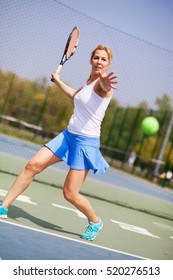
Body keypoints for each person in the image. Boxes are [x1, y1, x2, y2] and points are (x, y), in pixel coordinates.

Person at [0, 45, 118, 241]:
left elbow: (104, 87)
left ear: (108, 64)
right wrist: (58, 82)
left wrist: (105, 81)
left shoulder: (102, 86)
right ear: (91, 60)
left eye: (103, 59)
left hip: (86, 143)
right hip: (68, 136)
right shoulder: (89, 82)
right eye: (96, 58)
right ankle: (4, 207)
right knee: (32, 165)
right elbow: (75, 95)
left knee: (70, 193)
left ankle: (95, 221)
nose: (99, 62)